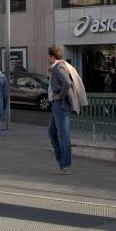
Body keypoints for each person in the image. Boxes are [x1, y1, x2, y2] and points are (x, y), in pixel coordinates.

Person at [47, 45, 87, 174]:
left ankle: (65, 165)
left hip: (61, 105)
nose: (47, 57)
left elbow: (67, 83)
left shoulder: (59, 67)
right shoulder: (57, 67)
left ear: (52, 57)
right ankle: (61, 161)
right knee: (52, 132)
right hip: (57, 105)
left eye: (48, 55)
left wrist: (59, 95)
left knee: (63, 135)